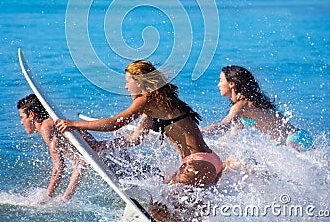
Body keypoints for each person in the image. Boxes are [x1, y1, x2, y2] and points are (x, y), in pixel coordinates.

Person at [55, 60, 223, 220]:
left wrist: (75, 125)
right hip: (211, 162)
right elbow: (135, 139)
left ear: (140, 82)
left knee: (158, 209)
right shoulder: (159, 102)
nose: (126, 86)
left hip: (197, 163)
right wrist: (102, 146)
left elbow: (116, 122)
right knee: (186, 213)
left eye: (128, 81)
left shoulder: (146, 100)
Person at [201, 65, 313, 152]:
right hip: (297, 138)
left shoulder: (242, 105)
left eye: (221, 80)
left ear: (231, 84)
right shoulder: (247, 105)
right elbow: (231, 135)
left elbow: (223, 126)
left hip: (292, 140)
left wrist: (196, 132)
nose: (218, 85)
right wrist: (212, 147)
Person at [17, 94, 88, 201]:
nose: (21, 123)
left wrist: (46, 197)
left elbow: (59, 167)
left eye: (22, 117)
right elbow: (81, 163)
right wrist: (65, 198)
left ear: (32, 115)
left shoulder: (46, 126)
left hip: (104, 156)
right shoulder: (50, 124)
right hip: (103, 156)